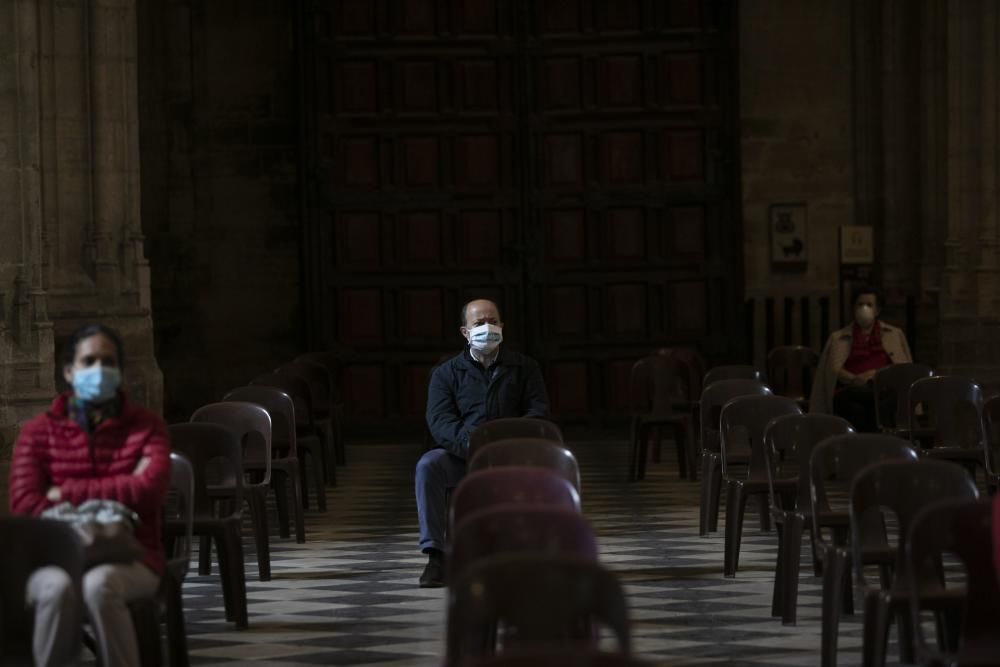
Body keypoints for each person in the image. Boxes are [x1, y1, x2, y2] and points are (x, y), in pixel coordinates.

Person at [8, 324, 171, 666]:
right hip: (52, 557)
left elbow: (150, 491)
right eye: (89, 361)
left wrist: (65, 492)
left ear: (121, 372)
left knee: (100, 585)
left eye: (108, 362)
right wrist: (119, 491)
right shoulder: (38, 433)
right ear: (69, 372)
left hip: (129, 554)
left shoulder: (146, 427)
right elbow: (24, 503)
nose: (99, 370)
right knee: (54, 587)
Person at [414, 299, 549, 588]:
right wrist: (471, 447)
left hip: (512, 456)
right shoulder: (446, 374)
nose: (487, 328)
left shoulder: (525, 367)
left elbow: (537, 412)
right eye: (478, 324)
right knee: (428, 466)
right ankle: (436, 556)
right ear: (465, 332)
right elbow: (440, 422)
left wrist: (506, 445)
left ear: (502, 326)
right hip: (464, 456)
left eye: (492, 321)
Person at [809, 286, 912, 431]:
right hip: (851, 389)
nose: (864, 308)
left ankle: (871, 441)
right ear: (854, 308)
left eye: (869, 305)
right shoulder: (838, 338)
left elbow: (903, 368)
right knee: (854, 401)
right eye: (860, 304)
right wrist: (855, 379)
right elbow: (833, 370)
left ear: (877, 310)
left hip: (883, 387)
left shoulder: (894, 334)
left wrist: (875, 375)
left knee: (883, 400)